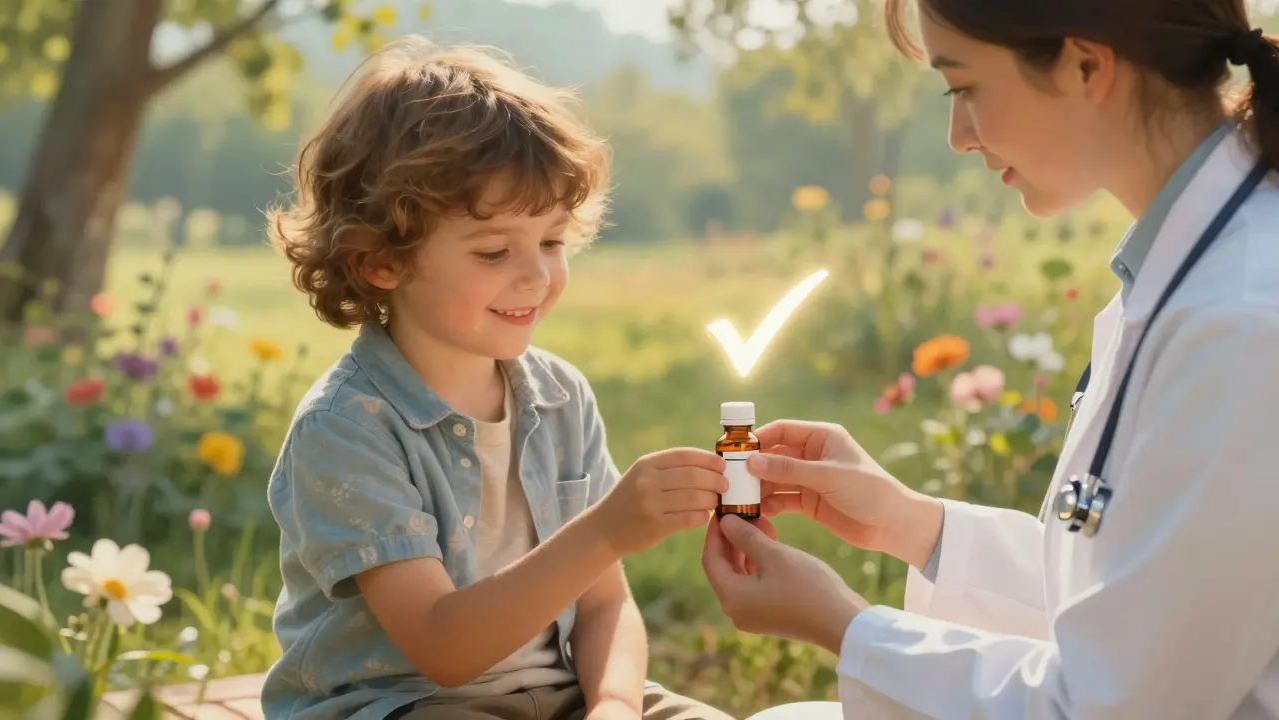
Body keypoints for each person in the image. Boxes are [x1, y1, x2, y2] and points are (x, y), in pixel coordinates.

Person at [702, 0, 1279, 717]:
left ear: (1086, 65)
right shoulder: (1185, 270)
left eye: (963, 87)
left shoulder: (1244, 324)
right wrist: (911, 525)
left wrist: (843, 625)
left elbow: (1115, 703)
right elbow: (1133, 605)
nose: (957, 137)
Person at [261, 36, 735, 720]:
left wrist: (613, 707)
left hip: (560, 697)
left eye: (551, 241)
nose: (536, 276)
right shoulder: (345, 427)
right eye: (493, 250)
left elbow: (607, 605)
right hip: (405, 704)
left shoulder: (560, 397)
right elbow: (442, 648)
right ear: (379, 262)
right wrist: (607, 528)